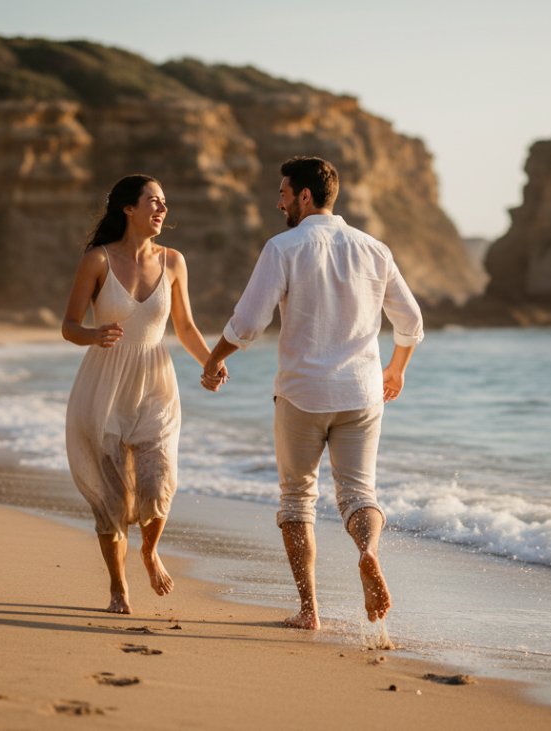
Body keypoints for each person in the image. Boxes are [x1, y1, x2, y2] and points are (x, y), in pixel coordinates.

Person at [200, 156, 424, 629]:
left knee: (297, 499)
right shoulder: (373, 249)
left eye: (283, 193)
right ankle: (368, 551)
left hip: (301, 394)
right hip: (362, 393)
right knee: (359, 492)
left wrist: (215, 358)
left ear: (304, 196)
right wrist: (397, 369)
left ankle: (309, 611)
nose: (279, 202)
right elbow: (411, 321)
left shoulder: (283, 247)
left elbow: (249, 322)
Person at [62, 174, 222, 614]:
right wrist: (93, 335)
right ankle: (118, 588)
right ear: (128, 208)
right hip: (104, 385)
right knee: (112, 499)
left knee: (158, 478)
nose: (162, 208)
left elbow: (185, 327)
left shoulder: (173, 261)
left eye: (164, 201)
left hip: (156, 384)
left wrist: (210, 362)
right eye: (153, 201)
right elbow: (69, 326)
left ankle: (150, 552)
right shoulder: (97, 260)